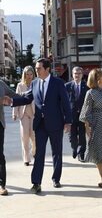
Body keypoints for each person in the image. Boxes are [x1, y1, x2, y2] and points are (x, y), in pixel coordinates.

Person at [6, 58, 72, 193]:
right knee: (39, 154)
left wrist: (68, 121)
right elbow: (27, 98)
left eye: (38, 68)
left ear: (47, 69)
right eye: (36, 68)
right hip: (40, 124)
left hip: (55, 123)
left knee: (56, 152)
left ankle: (56, 179)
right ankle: (36, 182)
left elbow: (66, 103)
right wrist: (11, 101)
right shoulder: (35, 83)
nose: (36, 71)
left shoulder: (58, 83)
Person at [12, 66, 36, 166]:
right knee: (25, 137)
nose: (29, 76)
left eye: (31, 74)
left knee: (34, 137)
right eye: (27, 74)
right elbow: (16, 99)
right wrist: (14, 113)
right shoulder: (20, 85)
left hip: (34, 114)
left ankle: (34, 152)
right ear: (24, 75)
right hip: (23, 114)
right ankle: (26, 158)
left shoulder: (36, 84)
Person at [0, 80, 19, 195]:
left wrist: (31, 94)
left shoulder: (1, 84)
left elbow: (14, 95)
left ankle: (2, 185)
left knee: (0, 154)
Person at [65, 66, 88, 162]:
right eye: (75, 73)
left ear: (82, 75)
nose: (77, 75)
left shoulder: (86, 86)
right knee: (72, 135)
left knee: (82, 135)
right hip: (71, 115)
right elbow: (64, 102)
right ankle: (74, 148)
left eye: (79, 73)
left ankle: (81, 153)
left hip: (83, 115)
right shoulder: (67, 86)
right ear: (72, 75)